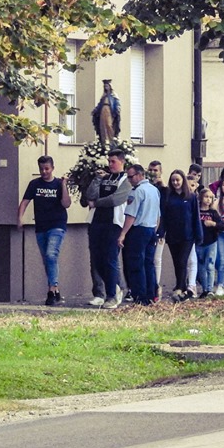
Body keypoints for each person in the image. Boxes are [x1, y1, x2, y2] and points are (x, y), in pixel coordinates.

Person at [17, 156, 71, 306]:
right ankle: (56, 289)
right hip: (41, 226)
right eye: (41, 169)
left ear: (52, 168)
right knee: (47, 259)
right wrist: (20, 218)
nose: (44, 172)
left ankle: (51, 290)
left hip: (57, 225)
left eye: (47, 168)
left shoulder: (59, 183)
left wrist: (64, 185)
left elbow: (66, 204)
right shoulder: (34, 184)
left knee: (51, 254)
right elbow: (25, 202)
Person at [83, 148, 130, 308]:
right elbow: (89, 195)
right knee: (96, 258)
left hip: (114, 223)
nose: (110, 165)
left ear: (122, 161)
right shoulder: (105, 177)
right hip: (96, 221)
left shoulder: (126, 179)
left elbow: (115, 199)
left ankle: (112, 294)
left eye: (113, 162)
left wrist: (96, 203)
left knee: (110, 259)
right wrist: (97, 179)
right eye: (108, 161)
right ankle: (100, 293)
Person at [117, 164, 160, 306]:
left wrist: (123, 234)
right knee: (149, 263)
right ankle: (152, 294)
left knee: (136, 264)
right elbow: (158, 214)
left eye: (131, 176)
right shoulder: (154, 190)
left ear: (140, 175)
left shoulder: (137, 192)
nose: (129, 180)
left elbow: (131, 215)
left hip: (138, 230)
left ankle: (139, 296)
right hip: (151, 228)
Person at [159, 170, 203, 300]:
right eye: (173, 180)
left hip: (187, 235)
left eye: (177, 180)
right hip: (173, 235)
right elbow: (164, 217)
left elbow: (196, 216)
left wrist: (198, 234)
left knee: (183, 261)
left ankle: (179, 288)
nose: (175, 182)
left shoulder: (191, 197)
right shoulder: (168, 197)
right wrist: (161, 232)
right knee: (176, 262)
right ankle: (182, 288)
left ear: (183, 180)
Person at [196, 188, 224, 297]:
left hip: (211, 242)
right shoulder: (197, 211)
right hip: (199, 242)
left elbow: (223, 225)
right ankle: (204, 289)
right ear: (201, 197)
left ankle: (210, 289)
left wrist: (213, 224)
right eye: (206, 197)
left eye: (210, 197)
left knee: (210, 265)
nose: (208, 200)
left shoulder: (213, 212)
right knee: (201, 266)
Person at [147, 160, 167, 300]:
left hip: (159, 228)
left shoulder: (164, 189)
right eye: (151, 170)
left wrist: (161, 231)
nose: (153, 173)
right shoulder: (145, 186)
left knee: (156, 259)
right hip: (146, 226)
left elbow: (165, 210)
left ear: (160, 172)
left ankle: (156, 286)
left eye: (156, 170)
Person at [91, 78, 120, 144]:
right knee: (102, 125)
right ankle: (104, 140)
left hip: (109, 110)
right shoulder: (104, 96)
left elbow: (117, 103)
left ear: (110, 86)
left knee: (109, 125)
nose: (106, 88)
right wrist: (95, 110)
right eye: (105, 86)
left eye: (107, 86)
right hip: (103, 111)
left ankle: (111, 140)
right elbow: (99, 104)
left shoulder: (114, 95)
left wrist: (117, 110)